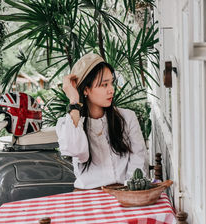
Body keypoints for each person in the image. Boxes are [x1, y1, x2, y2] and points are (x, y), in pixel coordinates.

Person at [56, 53, 148, 189]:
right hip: (88, 196)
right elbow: (75, 150)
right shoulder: (69, 124)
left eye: (111, 83)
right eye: (104, 85)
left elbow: (139, 158)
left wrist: (129, 189)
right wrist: (74, 102)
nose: (111, 90)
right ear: (86, 89)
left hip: (125, 192)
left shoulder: (127, 117)